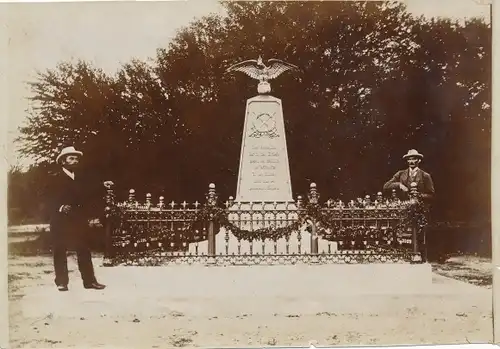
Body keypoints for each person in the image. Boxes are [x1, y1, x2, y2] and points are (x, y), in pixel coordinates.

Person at [49, 146, 106, 291]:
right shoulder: (53, 177)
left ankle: (89, 281)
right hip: (60, 219)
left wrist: (103, 185)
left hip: (77, 219)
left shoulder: (80, 177)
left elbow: (90, 191)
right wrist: (60, 207)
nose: (74, 161)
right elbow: (46, 198)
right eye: (71, 158)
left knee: (83, 249)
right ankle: (61, 282)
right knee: (60, 249)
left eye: (76, 158)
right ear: (63, 161)